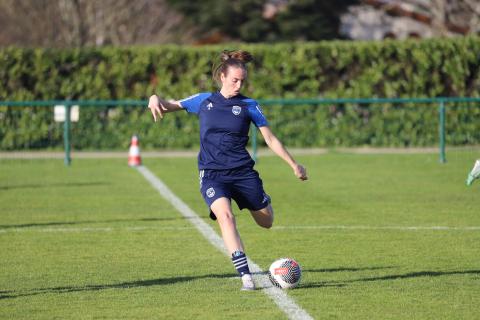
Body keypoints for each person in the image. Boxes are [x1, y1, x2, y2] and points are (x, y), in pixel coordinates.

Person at [147, 50, 308, 291]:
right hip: (212, 173)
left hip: (243, 173)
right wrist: (153, 97)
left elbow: (271, 139)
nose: (239, 84)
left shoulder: (249, 105)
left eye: (242, 80)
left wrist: (294, 164)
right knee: (225, 216)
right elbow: (168, 105)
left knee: (267, 221)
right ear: (222, 76)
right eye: (235, 80)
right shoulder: (203, 101)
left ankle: (258, 202)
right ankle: (246, 276)